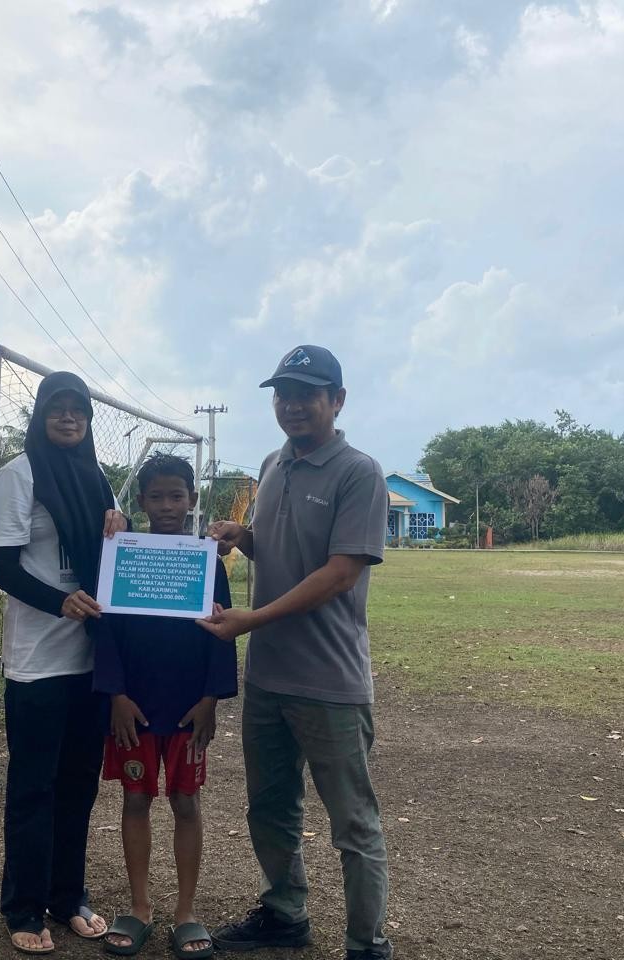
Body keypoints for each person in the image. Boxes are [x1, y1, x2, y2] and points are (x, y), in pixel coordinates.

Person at [200, 345, 394, 960]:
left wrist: (253, 620)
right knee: (270, 809)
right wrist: (245, 537)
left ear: (337, 400)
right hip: (269, 679)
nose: (292, 405)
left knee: (352, 822)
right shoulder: (273, 464)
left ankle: (366, 943)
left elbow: (339, 572)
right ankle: (285, 914)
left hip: (330, 680)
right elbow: (283, 551)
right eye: (282, 393)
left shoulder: (359, 473)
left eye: (307, 393)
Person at [0, 371, 127, 955]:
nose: (69, 418)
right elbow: (2, 566)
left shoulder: (98, 478)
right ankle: (23, 905)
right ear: (41, 415)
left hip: (89, 660)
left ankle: (67, 898)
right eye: (58, 408)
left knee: (78, 786)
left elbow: (115, 556)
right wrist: (60, 602)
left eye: (78, 410)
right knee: (33, 788)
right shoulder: (19, 476)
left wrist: (121, 528)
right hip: (38, 663)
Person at [93, 455, 237, 959]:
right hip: (133, 707)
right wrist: (115, 695)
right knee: (135, 799)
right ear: (141, 502)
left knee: (185, 803)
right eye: (156, 497)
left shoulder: (207, 562)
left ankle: (186, 911)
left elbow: (222, 631)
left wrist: (211, 699)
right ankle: (139, 907)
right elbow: (105, 628)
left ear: (192, 500)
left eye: (177, 496)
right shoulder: (121, 556)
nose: (167, 506)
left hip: (186, 708)